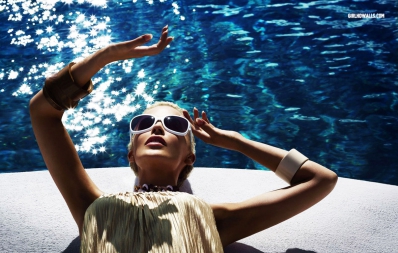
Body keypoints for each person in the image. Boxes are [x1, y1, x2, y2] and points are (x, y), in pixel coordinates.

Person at [29, 26, 338, 252]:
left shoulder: (212, 219)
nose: (157, 128)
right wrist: (105, 57)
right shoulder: (93, 207)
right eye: (145, 122)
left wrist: (237, 141)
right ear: (131, 155)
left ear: (190, 156)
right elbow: (42, 111)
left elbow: (320, 180)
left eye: (174, 124)